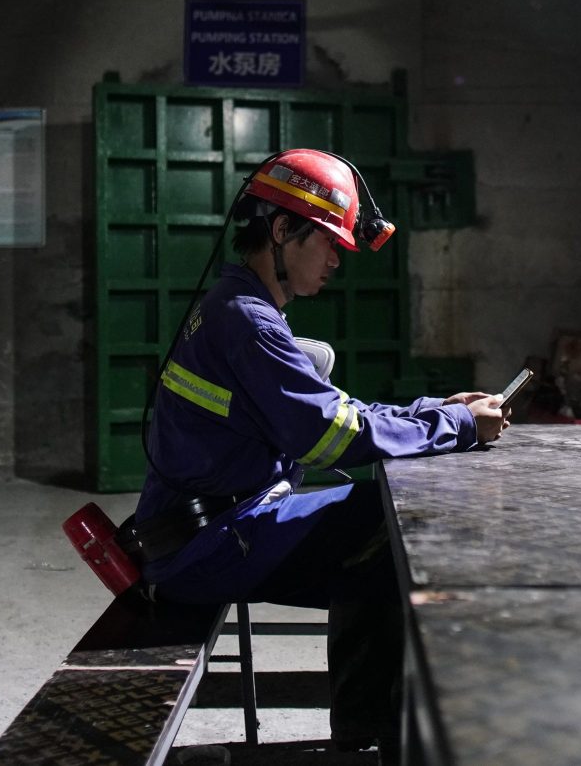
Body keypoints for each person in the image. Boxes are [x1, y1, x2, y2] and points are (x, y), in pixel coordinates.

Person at [127, 148, 507, 756]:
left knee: (381, 533)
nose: (336, 258)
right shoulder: (248, 322)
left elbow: (334, 410)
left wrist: (438, 411)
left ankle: (369, 734)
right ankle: (367, 740)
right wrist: (457, 425)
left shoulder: (240, 307)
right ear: (281, 232)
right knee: (395, 537)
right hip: (214, 541)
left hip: (213, 526)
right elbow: (334, 439)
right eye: (327, 241)